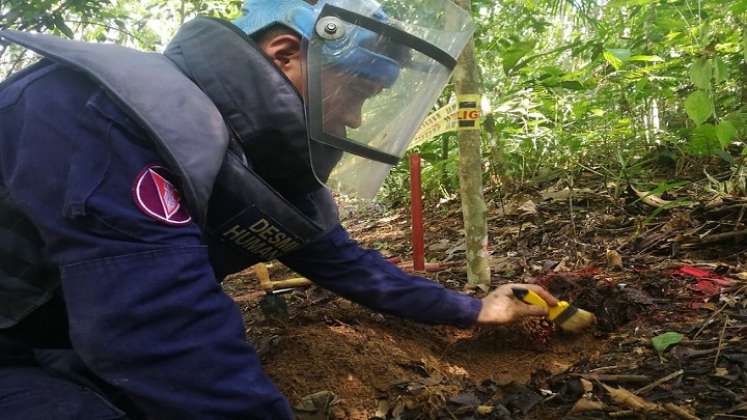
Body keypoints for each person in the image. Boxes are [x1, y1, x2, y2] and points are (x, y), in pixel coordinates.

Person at [0, 0, 558, 418]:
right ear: (286, 55)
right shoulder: (110, 111)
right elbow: (159, 332)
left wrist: (472, 308)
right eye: (357, 92)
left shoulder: (255, 162)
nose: (358, 121)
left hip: (50, 340)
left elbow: (346, 263)